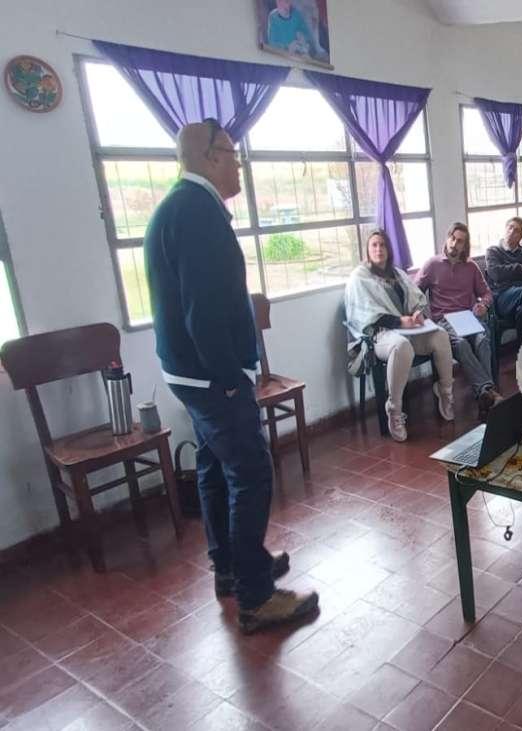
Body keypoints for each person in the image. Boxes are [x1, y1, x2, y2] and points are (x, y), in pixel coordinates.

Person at [145, 119, 316, 633]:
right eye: (231, 153)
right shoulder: (195, 212)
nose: (239, 163)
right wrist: (228, 379)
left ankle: (231, 566)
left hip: (189, 373)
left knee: (215, 469)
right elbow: (202, 310)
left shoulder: (183, 206)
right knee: (251, 472)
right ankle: (256, 597)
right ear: (207, 155)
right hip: (210, 377)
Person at [346, 230, 457, 435]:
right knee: (401, 346)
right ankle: (394, 410)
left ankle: (445, 391)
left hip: (408, 330)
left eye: (382, 245)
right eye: (374, 245)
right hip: (379, 335)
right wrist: (398, 321)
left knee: (441, 335)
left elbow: (416, 299)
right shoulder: (359, 278)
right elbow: (365, 314)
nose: (379, 249)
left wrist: (417, 314)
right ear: (367, 250)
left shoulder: (397, 274)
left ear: (389, 249)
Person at [417, 223, 504, 420]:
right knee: (462, 345)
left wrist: (483, 305)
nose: (454, 244)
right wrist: (420, 315)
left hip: (469, 318)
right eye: (453, 238)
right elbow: (414, 292)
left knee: (482, 341)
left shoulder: (471, 267)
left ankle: (485, 396)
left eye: (460, 241)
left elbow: (487, 293)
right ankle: (488, 392)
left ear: (465, 246)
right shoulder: (432, 264)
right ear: (447, 238)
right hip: (444, 320)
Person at [486, 217, 522, 343]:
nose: (511, 231)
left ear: (520, 237)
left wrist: (507, 272)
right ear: (505, 229)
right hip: (502, 298)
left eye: (516, 230)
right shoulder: (493, 251)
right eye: (510, 227)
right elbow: (495, 274)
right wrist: (518, 268)